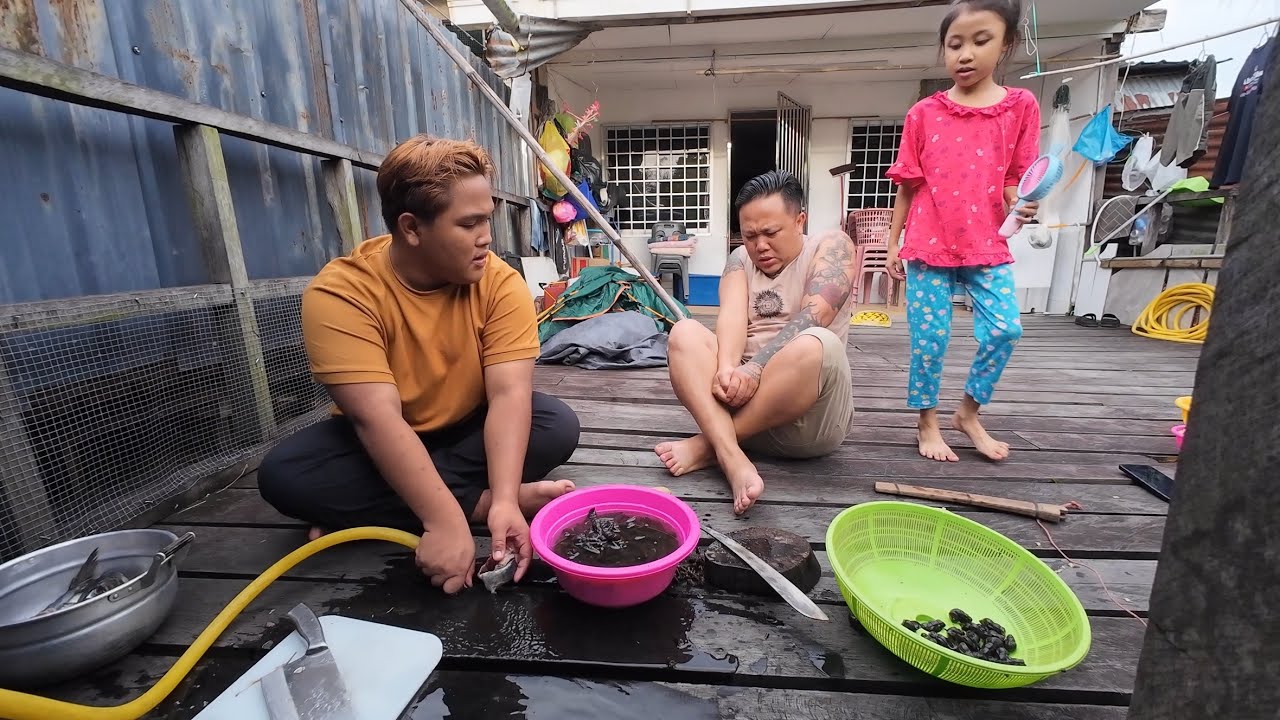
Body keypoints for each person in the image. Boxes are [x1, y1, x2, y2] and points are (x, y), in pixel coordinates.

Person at [257, 135, 580, 594]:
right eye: (468, 224)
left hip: (467, 428)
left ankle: (383, 508)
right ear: (411, 228)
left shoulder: (500, 283)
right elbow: (377, 419)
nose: (487, 238)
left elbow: (509, 395)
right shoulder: (341, 293)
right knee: (284, 476)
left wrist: (506, 500)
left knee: (556, 424)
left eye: (486, 219)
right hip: (380, 438)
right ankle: (472, 501)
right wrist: (446, 521)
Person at [884, 0, 1039, 463]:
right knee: (929, 339)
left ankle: (968, 413)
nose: (965, 54)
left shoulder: (1020, 107)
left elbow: (1016, 178)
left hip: (986, 242)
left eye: (980, 41)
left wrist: (1022, 203)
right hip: (927, 242)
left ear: (1006, 44)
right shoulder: (923, 113)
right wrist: (893, 242)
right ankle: (927, 422)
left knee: (1006, 329)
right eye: (955, 45)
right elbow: (908, 185)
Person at [655, 170, 857, 514]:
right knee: (684, 332)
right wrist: (727, 369)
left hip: (808, 420)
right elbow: (732, 318)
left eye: (771, 233)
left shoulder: (832, 246)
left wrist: (756, 368)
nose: (760, 245)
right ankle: (731, 456)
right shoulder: (739, 259)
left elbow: (817, 313)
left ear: (800, 220)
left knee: (816, 342)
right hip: (743, 404)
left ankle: (708, 446)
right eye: (749, 235)